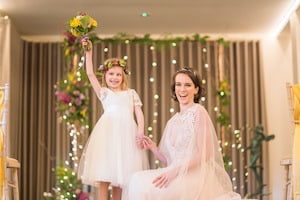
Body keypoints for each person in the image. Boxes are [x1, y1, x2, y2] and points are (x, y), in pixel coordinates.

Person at [127, 67, 242, 200]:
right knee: (136, 179)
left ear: (196, 89)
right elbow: (170, 160)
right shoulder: (172, 121)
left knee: (141, 184)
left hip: (194, 176)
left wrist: (174, 173)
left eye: (188, 85)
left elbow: (205, 154)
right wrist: (153, 147)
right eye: (178, 85)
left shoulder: (198, 112)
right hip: (175, 174)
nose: (182, 89)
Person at [78, 39, 149, 200]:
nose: (115, 77)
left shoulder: (131, 93)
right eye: (111, 74)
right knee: (105, 174)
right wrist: (88, 52)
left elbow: (139, 113)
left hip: (126, 137)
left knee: (121, 177)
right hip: (107, 135)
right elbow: (89, 73)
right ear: (105, 75)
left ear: (123, 77)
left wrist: (140, 131)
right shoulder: (104, 93)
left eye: (118, 75)